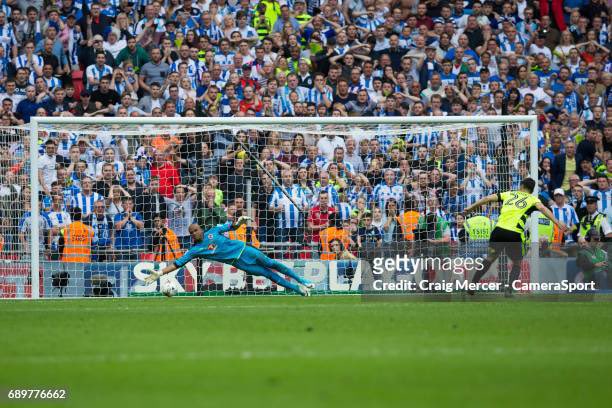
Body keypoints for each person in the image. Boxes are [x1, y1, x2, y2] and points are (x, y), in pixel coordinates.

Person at [144, 217, 314, 296]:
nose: (194, 233)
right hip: (239, 263)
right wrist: (160, 273)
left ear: (201, 229)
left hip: (245, 250)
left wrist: (239, 222)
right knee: (268, 274)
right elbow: (177, 263)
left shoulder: (213, 231)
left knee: (271, 263)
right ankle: (298, 289)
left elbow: (231, 227)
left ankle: (303, 281)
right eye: (191, 232)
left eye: (196, 230)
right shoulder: (195, 250)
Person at [463, 178, 567, 295]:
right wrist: (557, 222)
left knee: (490, 258)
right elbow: (543, 208)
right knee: (517, 263)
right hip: (514, 234)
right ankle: (509, 290)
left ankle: (472, 285)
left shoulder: (509, 194)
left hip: (498, 231)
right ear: (532, 190)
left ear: (521, 185)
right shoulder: (533, 199)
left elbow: (487, 198)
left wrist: (471, 207)